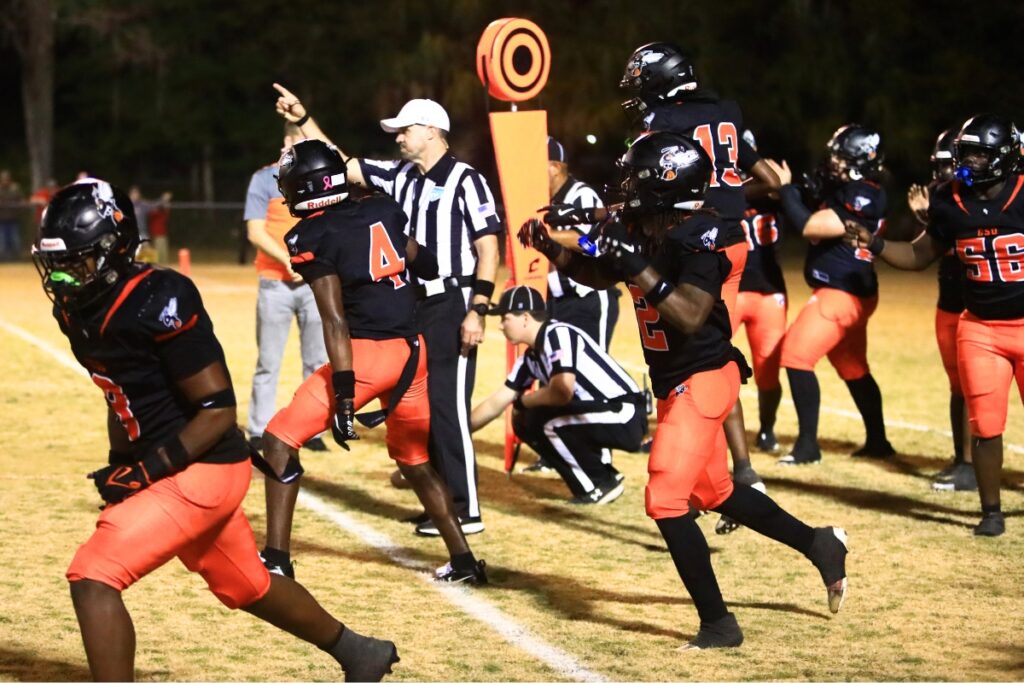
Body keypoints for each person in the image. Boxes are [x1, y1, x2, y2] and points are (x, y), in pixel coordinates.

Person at [32, 178, 399, 681]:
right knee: (247, 584)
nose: (64, 278)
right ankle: (361, 652)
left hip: (203, 465)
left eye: (77, 263)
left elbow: (217, 410)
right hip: (177, 466)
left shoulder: (158, 298)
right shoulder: (77, 309)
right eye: (57, 264)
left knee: (94, 576)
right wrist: (123, 463)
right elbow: (120, 394)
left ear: (115, 249)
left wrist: (146, 470)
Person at [520, 131, 848, 649]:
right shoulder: (649, 226)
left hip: (705, 377)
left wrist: (633, 262)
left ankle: (719, 624)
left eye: (636, 178)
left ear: (663, 183)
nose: (626, 187)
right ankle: (819, 543)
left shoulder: (703, 236)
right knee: (714, 493)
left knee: (666, 498)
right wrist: (555, 251)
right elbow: (601, 272)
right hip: (675, 382)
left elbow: (691, 314)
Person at [272, 84, 501, 537]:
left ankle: (465, 508)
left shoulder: (466, 179)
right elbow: (335, 165)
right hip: (412, 301)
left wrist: (478, 307)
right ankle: (443, 505)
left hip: (452, 298)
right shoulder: (400, 175)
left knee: (448, 404)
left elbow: (488, 247)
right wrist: (303, 120)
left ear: (432, 130)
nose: (398, 136)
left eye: (405, 129)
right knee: (422, 409)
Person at [845, 113, 1024, 536]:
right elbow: (919, 255)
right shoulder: (948, 199)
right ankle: (991, 513)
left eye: (979, 154)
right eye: (967, 153)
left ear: (1004, 156)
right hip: (980, 329)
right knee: (985, 425)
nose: (970, 162)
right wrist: (875, 244)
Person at [617, 42, 781, 496]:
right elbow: (771, 181)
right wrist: (725, 197)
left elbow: (655, 185)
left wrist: (694, 201)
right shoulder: (725, 111)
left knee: (703, 355)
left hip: (695, 243)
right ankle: (724, 471)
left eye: (641, 84)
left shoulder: (664, 121)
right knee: (709, 352)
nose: (636, 94)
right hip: (733, 242)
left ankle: (738, 474)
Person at [774, 124, 894, 464]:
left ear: (861, 161)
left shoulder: (863, 194)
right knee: (852, 366)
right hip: (851, 291)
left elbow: (810, 226)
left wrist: (786, 191)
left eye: (841, 158)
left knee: (795, 355)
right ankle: (878, 441)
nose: (834, 163)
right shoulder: (851, 189)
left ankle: (807, 447)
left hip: (841, 292)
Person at [470, 285, 645, 503]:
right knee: (525, 420)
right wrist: (461, 431)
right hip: (604, 413)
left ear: (525, 318)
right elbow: (496, 402)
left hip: (625, 414)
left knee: (542, 420)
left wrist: (525, 401)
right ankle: (598, 476)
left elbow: (562, 391)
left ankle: (600, 483)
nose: (500, 326)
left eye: (505, 318)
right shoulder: (531, 357)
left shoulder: (557, 335)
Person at [244, 122, 328, 453]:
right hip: (274, 283)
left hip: (313, 283)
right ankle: (258, 429)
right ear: (287, 142)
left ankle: (312, 431)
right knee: (268, 362)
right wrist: (289, 260)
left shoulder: (322, 178)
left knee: (317, 362)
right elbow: (255, 231)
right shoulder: (264, 179)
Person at [906, 128, 976, 492]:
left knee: (974, 386)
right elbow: (931, 248)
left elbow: (965, 239)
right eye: (942, 165)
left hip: (979, 308)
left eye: (951, 164)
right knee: (957, 386)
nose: (944, 172)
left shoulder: (982, 195)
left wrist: (929, 219)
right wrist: (927, 220)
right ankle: (963, 459)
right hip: (948, 302)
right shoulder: (942, 196)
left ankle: (971, 463)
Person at [544, 136, 620, 349]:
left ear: (555, 168)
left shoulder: (581, 195)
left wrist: (544, 235)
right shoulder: (544, 200)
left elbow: (587, 242)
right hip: (556, 301)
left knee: (591, 365)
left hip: (587, 298)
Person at [0, 169, 24, 261]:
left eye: (7, 179)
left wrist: (17, 204)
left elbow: (21, 200)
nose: (5, 181)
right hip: (2, 219)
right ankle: (3, 259)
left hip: (13, 219)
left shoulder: (15, 188)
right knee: (2, 241)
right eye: (3, 179)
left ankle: (17, 258)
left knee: (15, 239)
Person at [147, 191, 173, 264]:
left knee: (163, 249)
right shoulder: (155, 210)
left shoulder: (164, 212)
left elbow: (167, 210)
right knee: (158, 249)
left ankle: (164, 263)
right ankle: (158, 264)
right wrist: (162, 202)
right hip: (156, 232)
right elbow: (151, 212)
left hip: (163, 232)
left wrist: (166, 204)